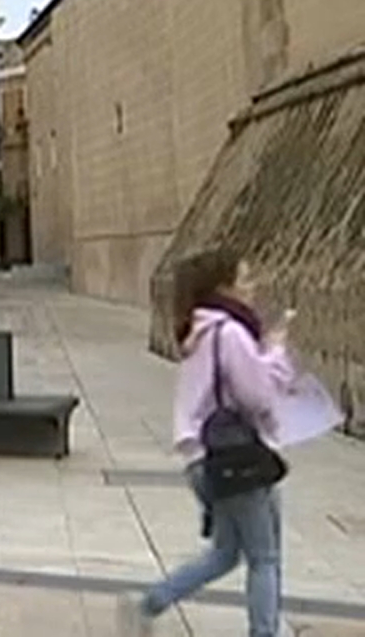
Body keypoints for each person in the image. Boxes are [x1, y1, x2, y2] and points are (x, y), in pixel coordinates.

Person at [119, 248, 294, 637]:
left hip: (203, 459)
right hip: (240, 459)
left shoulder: (201, 331)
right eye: (245, 280)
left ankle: (152, 602)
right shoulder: (230, 333)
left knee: (225, 553)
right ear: (224, 288)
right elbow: (258, 397)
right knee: (265, 559)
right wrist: (276, 351)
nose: (253, 288)